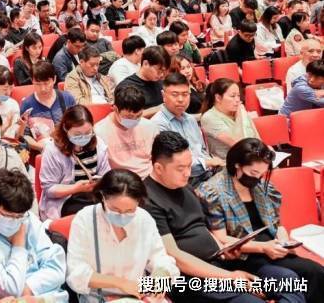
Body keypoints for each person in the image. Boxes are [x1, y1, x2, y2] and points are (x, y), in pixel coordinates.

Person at [144, 131, 301, 303]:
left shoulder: (183, 185)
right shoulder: (148, 200)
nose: (188, 173)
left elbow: (201, 227)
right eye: (181, 169)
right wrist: (230, 276)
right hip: (191, 277)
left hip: (221, 262)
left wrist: (222, 248)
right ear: (158, 168)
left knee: (290, 281)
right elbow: (174, 256)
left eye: (189, 166)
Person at [198, 138, 324, 303]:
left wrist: (284, 242)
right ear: (237, 164)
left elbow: (277, 224)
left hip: (271, 248)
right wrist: (263, 247)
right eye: (253, 173)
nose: (258, 178)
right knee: (304, 275)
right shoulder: (213, 191)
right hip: (244, 256)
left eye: (262, 174)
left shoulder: (260, 186)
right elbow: (222, 240)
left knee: (315, 271)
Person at [66, 169, 179, 302]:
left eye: (130, 210)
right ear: (103, 197)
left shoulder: (143, 219)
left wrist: (162, 275)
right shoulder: (86, 219)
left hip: (139, 296)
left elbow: (159, 257)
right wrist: (120, 283)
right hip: (99, 298)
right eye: (115, 210)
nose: (122, 216)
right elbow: (76, 273)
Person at [0, 168, 68, 302]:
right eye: (8, 216)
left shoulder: (27, 219)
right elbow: (10, 288)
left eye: (19, 216)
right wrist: (19, 246)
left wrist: (27, 290)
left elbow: (57, 267)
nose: (15, 221)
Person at [151, 73, 223, 187]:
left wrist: (213, 163)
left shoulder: (191, 119)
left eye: (185, 94)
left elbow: (202, 150)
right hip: (185, 181)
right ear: (163, 95)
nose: (180, 99)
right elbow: (173, 164)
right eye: (175, 94)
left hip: (207, 173)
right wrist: (207, 163)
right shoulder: (158, 124)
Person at [39, 104, 109, 219]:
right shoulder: (53, 150)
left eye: (88, 133)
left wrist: (100, 183)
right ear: (65, 128)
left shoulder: (99, 144)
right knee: (89, 216)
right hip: (65, 200)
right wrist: (75, 189)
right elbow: (49, 189)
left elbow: (105, 175)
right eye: (77, 134)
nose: (84, 137)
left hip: (94, 196)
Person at [95, 85, 157, 179]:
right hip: (121, 180)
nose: (134, 120)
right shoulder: (100, 131)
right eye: (129, 117)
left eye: (138, 116)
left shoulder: (150, 126)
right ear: (115, 109)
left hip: (150, 177)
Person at [21, 61, 77, 152]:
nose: (43, 89)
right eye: (38, 84)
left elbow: (78, 124)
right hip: (43, 151)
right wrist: (41, 147)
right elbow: (25, 135)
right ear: (32, 81)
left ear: (54, 79)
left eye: (46, 83)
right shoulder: (27, 104)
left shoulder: (67, 98)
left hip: (68, 147)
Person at [201, 78, 261, 159]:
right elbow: (239, 144)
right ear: (218, 98)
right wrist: (239, 115)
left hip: (254, 157)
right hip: (230, 162)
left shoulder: (239, 109)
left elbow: (256, 136)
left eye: (238, 96)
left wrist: (264, 150)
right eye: (232, 96)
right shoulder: (209, 118)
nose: (237, 100)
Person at [114, 46, 170, 117]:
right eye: (159, 70)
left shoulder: (161, 82)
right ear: (145, 63)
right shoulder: (126, 87)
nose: (161, 75)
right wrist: (160, 108)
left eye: (164, 71)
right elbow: (127, 117)